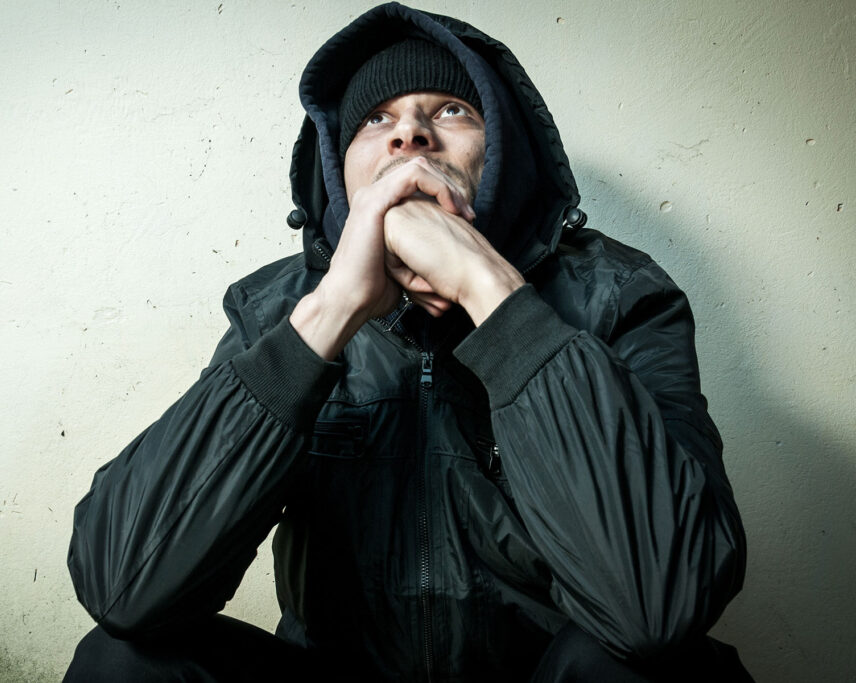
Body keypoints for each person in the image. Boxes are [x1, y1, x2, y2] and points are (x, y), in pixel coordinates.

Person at [63, 4, 752, 681]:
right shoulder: (276, 308)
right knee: (123, 658)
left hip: (545, 671)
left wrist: (491, 291)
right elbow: (126, 586)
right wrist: (331, 309)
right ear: (341, 168)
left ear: (504, 152)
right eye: (376, 118)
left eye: (451, 109)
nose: (410, 136)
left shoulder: (622, 298)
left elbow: (661, 602)